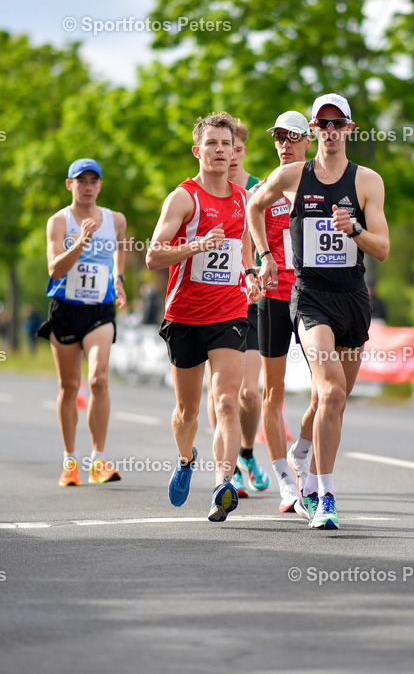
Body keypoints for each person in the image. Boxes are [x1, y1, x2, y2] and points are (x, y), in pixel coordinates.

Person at [249, 93, 391, 530]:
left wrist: (355, 229)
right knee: (330, 392)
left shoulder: (367, 181)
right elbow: (253, 205)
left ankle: (304, 457)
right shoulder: (292, 176)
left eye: (337, 123)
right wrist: (265, 257)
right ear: (314, 129)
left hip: (353, 297)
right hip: (310, 297)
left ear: (348, 128)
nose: (330, 131)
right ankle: (324, 495)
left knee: (334, 399)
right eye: (322, 124)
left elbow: (382, 249)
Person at [146, 113, 261, 522]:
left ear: (235, 150)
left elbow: (244, 250)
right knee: (187, 413)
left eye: (226, 144)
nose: (219, 150)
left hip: (229, 313)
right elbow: (153, 255)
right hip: (184, 316)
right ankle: (185, 458)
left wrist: (252, 275)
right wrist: (195, 245)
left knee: (227, 401)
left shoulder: (244, 199)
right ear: (198, 150)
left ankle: (223, 484)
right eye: (211, 143)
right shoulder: (183, 198)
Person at [38, 158, 127, 487]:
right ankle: (70, 461)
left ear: (100, 185)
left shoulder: (116, 220)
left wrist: (118, 279)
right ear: (70, 185)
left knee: (99, 380)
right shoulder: (58, 222)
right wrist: (80, 242)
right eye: (81, 181)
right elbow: (55, 270)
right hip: (66, 308)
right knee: (69, 387)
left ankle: (98, 461)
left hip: (100, 310)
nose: (88, 187)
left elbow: (119, 250)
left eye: (93, 181)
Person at [255, 110, 320, 514]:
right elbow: (248, 229)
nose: (284, 144)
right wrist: (257, 266)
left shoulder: (322, 184)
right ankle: (284, 481)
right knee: (273, 391)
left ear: (308, 140)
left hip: (312, 297)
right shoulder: (266, 188)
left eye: (293, 137)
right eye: (278, 137)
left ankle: (303, 451)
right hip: (275, 297)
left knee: (326, 390)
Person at [208, 116, 271, 499]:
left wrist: (261, 272)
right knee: (221, 394)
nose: (228, 155)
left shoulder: (260, 189)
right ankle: (225, 471)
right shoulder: (205, 190)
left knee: (249, 393)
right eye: (220, 146)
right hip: (215, 300)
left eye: (234, 148)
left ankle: (246, 452)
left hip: (252, 298)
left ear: (242, 150)